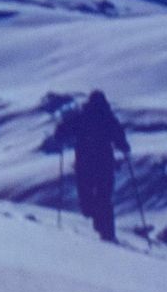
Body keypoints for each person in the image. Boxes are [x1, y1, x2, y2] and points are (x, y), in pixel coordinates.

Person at [54, 90, 131, 242]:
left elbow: (64, 129)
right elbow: (119, 137)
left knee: (88, 198)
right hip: (104, 164)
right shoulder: (107, 119)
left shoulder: (84, 117)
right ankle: (106, 231)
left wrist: (60, 134)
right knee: (104, 197)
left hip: (85, 163)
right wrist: (124, 147)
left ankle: (101, 225)